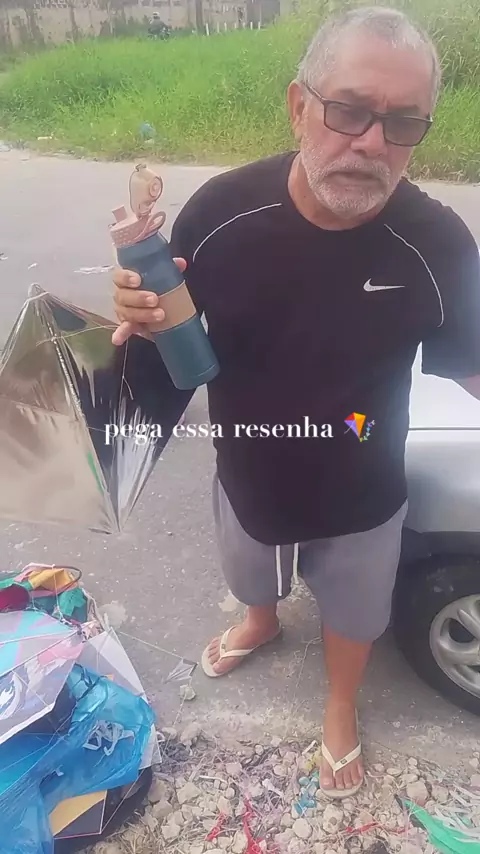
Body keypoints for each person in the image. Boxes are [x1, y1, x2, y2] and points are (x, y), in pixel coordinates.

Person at [111, 5, 480, 799]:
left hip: (364, 490)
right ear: (298, 106)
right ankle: (261, 620)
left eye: (403, 122)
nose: (371, 143)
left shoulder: (438, 244)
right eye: (349, 109)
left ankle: (340, 706)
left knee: (355, 611)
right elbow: (171, 343)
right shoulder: (221, 213)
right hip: (249, 469)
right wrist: (138, 314)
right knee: (249, 568)